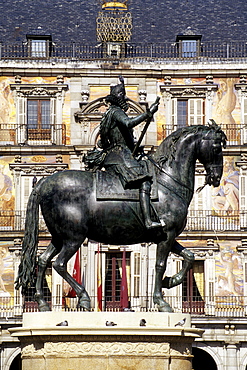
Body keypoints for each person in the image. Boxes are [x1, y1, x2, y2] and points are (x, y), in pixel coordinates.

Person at [84, 76, 162, 230]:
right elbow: (128, 123)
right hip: (120, 156)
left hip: (113, 155)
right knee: (144, 181)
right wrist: (147, 114)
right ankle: (147, 221)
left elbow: (107, 140)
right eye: (123, 96)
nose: (125, 100)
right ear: (119, 97)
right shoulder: (116, 112)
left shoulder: (108, 114)